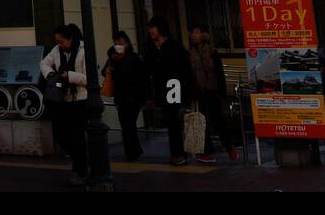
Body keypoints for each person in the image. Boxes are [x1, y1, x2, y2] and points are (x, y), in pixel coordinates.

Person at [40, 23, 89, 186]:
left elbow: (89, 78)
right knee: (61, 135)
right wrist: (52, 75)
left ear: (70, 38)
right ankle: (81, 161)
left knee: (77, 136)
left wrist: (70, 76)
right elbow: (44, 63)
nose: (60, 45)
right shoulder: (57, 51)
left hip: (80, 99)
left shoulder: (84, 50)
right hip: (63, 99)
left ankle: (80, 170)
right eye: (58, 41)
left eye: (62, 41)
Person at [145, 15, 193, 165]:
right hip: (162, 86)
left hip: (173, 85)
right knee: (170, 119)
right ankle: (178, 153)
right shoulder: (152, 46)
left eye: (154, 27)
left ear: (161, 28)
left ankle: (178, 153)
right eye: (150, 28)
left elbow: (184, 67)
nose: (151, 30)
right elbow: (148, 66)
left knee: (173, 119)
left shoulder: (173, 45)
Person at [187, 24, 239, 163]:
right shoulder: (190, 53)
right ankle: (204, 152)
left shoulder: (212, 52)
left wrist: (222, 92)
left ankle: (229, 147)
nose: (194, 35)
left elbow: (220, 73)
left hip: (213, 90)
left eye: (197, 32)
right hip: (199, 92)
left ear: (204, 34)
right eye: (192, 32)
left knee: (218, 121)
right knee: (201, 122)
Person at [102, 31, 147, 162]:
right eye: (116, 42)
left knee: (129, 124)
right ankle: (133, 151)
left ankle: (133, 151)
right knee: (127, 125)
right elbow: (105, 71)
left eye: (120, 42)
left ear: (126, 43)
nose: (118, 45)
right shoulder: (113, 57)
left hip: (133, 97)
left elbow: (140, 77)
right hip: (121, 97)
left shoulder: (133, 57)